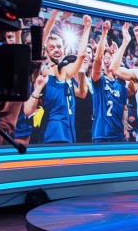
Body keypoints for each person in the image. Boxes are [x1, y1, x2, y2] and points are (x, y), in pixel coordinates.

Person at [24, 11, 93, 144]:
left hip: (69, 134)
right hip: (52, 135)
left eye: (59, 46)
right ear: (46, 52)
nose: (56, 49)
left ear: (63, 49)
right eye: (52, 47)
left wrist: (87, 28)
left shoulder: (66, 71)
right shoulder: (43, 73)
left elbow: (81, 56)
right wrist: (55, 13)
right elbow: (27, 111)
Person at [91, 21, 130, 142]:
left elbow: (124, 108)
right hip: (102, 134)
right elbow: (98, 59)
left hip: (118, 134)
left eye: (110, 57)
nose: (106, 59)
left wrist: (125, 126)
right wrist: (104, 33)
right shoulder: (99, 80)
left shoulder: (121, 85)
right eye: (105, 57)